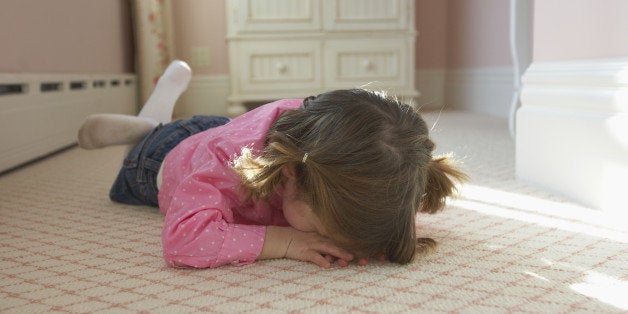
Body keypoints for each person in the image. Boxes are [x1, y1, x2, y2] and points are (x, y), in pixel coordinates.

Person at [78, 60, 467, 269]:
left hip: (228, 132)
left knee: (211, 131)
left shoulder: (363, 157)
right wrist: (285, 241)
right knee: (150, 147)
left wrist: (373, 235)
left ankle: (166, 123)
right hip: (160, 161)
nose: (320, 236)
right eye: (318, 226)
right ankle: (146, 128)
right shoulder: (225, 163)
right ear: (291, 175)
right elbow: (183, 241)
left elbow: (377, 199)